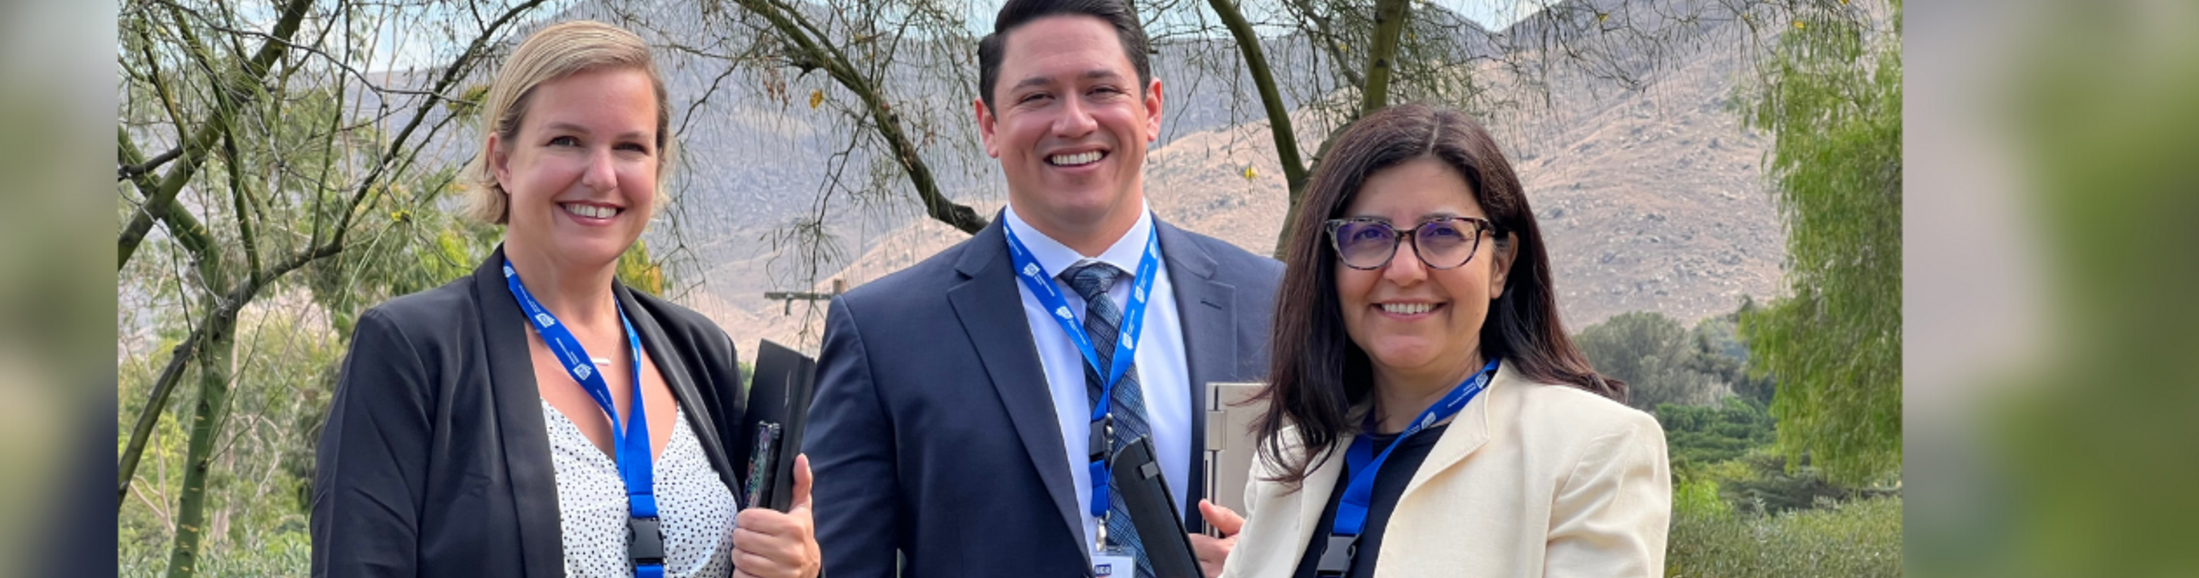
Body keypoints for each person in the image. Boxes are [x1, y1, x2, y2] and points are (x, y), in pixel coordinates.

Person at [309, 21, 820, 578]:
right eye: (566, 141)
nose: (601, 176)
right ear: (502, 160)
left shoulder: (699, 353)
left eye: (629, 147)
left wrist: (798, 565)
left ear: (656, 166)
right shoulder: (412, 351)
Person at [801, 0, 1280, 576]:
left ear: (1151, 108)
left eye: (1101, 89)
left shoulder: (1274, 303)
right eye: (1036, 97)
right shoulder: (883, 335)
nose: (1074, 121)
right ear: (989, 126)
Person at [1216, 104, 1670, 578]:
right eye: (1369, 234)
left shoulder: (1591, 451)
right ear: (1328, 265)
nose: (1405, 270)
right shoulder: (1291, 457)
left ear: (1499, 265)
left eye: (1443, 234)